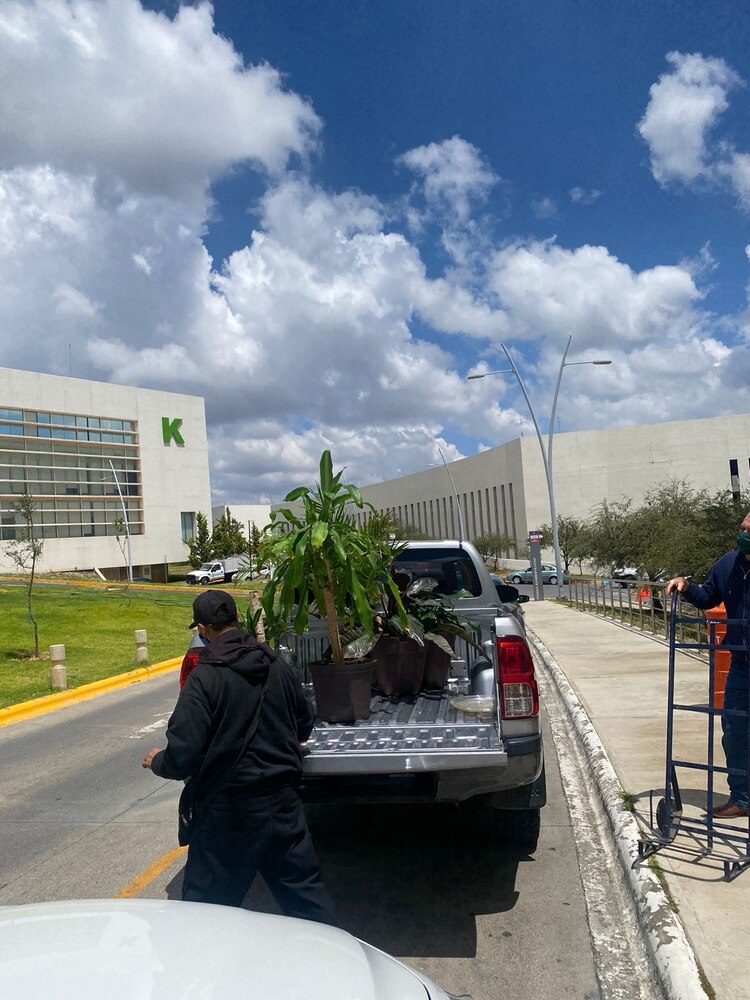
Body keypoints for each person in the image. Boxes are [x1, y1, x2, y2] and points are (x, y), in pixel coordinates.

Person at [142, 589, 335, 922]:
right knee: (309, 908)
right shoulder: (275, 663)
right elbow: (305, 723)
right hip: (283, 807)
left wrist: (158, 761)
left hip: (228, 814)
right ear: (236, 619)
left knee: (206, 916)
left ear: (202, 630)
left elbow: (184, 754)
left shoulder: (205, 677)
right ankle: (336, 968)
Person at [666, 513, 750, 819]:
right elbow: (707, 597)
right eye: (742, 528)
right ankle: (742, 798)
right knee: (734, 730)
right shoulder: (729, 564)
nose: (743, 533)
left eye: (749, 530)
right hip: (741, 663)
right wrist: (685, 586)